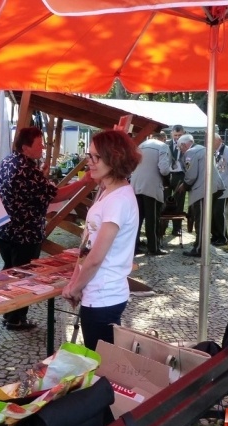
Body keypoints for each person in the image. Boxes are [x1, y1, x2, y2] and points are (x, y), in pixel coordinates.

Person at [0, 127, 94, 330]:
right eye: (39, 144)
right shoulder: (27, 169)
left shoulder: (9, 161)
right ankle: (15, 318)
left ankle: (9, 313)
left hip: (4, 230)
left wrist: (42, 176)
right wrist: (83, 182)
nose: (43, 148)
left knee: (12, 272)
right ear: (25, 147)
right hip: (23, 233)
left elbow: (31, 190)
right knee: (23, 276)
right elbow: (55, 195)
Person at [61, 130, 141, 351]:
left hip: (104, 295)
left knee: (103, 365)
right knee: (100, 360)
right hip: (98, 294)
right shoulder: (108, 192)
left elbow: (96, 256)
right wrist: (75, 282)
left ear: (114, 159)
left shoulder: (118, 200)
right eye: (90, 155)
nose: (90, 162)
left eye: (96, 157)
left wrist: (76, 287)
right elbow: (87, 246)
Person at [176, 134, 225, 258]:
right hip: (214, 187)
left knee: (201, 220)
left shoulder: (191, 152)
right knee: (204, 219)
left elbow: (191, 175)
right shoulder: (203, 149)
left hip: (203, 190)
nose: (180, 150)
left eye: (180, 147)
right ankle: (200, 244)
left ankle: (199, 249)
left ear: (184, 145)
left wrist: (184, 185)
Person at [131, 136, 171, 255]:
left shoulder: (141, 145)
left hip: (136, 183)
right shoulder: (162, 146)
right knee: (152, 218)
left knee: (137, 218)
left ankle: (134, 246)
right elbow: (164, 169)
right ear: (163, 138)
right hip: (151, 185)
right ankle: (153, 247)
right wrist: (168, 179)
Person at [164, 125, 187, 236]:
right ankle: (162, 227)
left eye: (180, 135)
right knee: (165, 201)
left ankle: (176, 228)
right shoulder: (166, 145)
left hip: (180, 175)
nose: (177, 137)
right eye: (175, 135)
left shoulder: (187, 145)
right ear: (171, 134)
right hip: (167, 174)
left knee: (179, 202)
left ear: (184, 134)